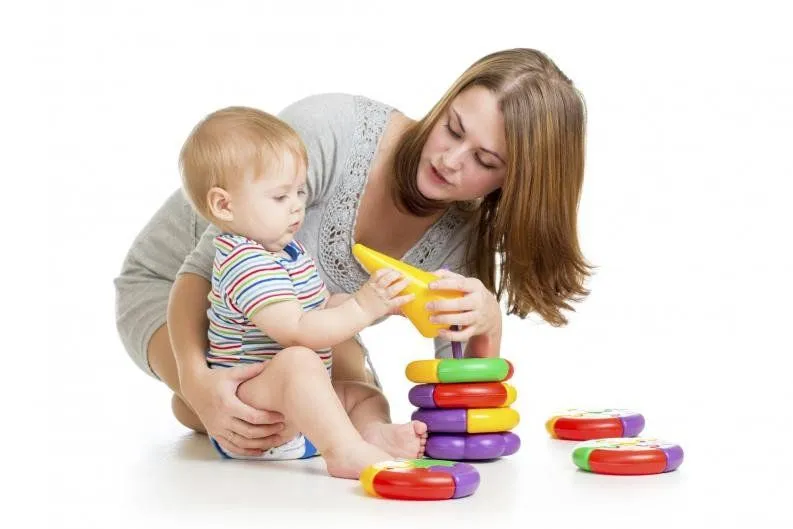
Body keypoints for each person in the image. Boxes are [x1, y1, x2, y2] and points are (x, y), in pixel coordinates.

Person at [115, 48, 591, 458]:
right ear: (444, 104)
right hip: (172, 290)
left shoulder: (462, 237)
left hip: (301, 323)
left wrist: (487, 324)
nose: (450, 159)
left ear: (514, 183)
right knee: (262, 408)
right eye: (452, 128)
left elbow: (463, 407)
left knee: (354, 406)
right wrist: (196, 383)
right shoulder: (330, 131)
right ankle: (196, 404)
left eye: (485, 161)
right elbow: (200, 268)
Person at [173, 106, 426, 477]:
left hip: (295, 415)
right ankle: (345, 450)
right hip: (255, 419)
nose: (297, 205)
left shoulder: (287, 251)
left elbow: (321, 308)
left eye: (300, 191)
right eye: (279, 197)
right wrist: (362, 307)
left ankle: (373, 434)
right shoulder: (245, 262)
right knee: (299, 359)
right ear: (223, 205)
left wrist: (383, 303)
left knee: (361, 393)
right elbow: (299, 329)